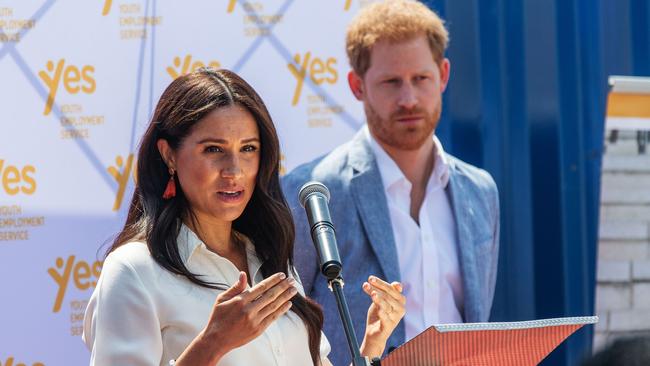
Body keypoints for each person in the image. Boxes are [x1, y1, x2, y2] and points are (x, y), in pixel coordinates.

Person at [83, 68, 406, 366]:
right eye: (213, 149)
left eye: (248, 149)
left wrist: (372, 344)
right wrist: (213, 342)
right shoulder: (133, 270)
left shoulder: (268, 259)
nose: (234, 170)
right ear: (169, 155)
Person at [281, 1, 500, 365]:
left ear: (443, 75)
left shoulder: (480, 191)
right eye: (391, 82)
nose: (409, 99)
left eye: (421, 79)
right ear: (357, 85)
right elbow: (286, 329)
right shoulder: (311, 192)